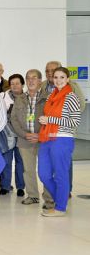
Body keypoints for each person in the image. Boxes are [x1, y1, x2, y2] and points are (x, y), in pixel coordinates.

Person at [38, 67, 81, 217]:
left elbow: (75, 121)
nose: (58, 80)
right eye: (56, 77)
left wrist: (50, 119)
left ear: (67, 79)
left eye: (62, 77)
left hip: (63, 139)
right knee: (43, 174)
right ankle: (61, 200)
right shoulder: (52, 96)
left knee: (61, 174)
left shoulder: (71, 97)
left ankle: (60, 208)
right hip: (47, 138)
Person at [10, 69, 54, 207]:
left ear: (40, 81)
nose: (30, 81)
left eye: (34, 78)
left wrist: (40, 135)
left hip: (44, 140)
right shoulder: (20, 98)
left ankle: (49, 197)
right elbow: (14, 119)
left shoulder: (49, 98)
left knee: (45, 170)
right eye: (28, 78)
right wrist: (24, 134)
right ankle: (33, 195)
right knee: (28, 169)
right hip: (25, 140)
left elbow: (53, 119)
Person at [0, 73, 25, 196]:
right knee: (6, 161)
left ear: (22, 84)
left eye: (17, 83)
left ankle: (20, 187)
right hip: (7, 134)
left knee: (21, 162)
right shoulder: (2, 96)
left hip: (22, 135)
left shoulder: (27, 97)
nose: (14, 86)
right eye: (12, 83)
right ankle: (5, 186)